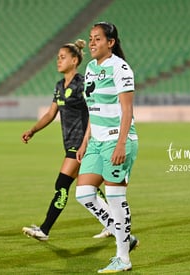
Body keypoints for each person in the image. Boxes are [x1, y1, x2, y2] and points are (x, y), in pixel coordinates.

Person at [21, 39, 109, 241]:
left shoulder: (82, 84)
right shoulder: (59, 86)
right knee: (89, 187)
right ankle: (112, 223)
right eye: (57, 58)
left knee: (62, 184)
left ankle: (44, 229)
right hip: (71, 143)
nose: (58, 61)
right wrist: (33, 130)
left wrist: (88, 140)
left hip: (81, 143)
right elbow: (51, 113)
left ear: (75, 60)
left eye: (62, 57)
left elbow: (95, 111)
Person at [75, 22, 139, 273]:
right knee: (84, 194)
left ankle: (123, 258)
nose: (92, 43)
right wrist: (85, 141)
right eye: (90, 39)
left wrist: (121, 143)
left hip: (117, 140)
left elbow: (127, 110)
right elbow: (93, 108)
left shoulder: (120, 68)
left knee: (115, 197)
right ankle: (123, 234)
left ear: (110, 42)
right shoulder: (90, 67)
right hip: (96, 141)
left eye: (97, 39)